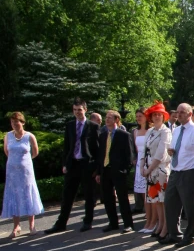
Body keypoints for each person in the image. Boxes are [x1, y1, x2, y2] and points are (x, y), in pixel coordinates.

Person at [45, 98, 100, 234]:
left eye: (79, 110)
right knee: (67, 195)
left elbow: (98, 149)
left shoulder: (93, 126)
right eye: (75, 110)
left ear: (85, 110)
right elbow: (66, 147)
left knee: (88, 194)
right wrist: (65, 164)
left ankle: (87, 221)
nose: (77, 112)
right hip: (73, 164)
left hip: (86, 164)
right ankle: (61, 223)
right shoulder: (70, 125)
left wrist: (96, 169)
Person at [160, 103, 194, 247]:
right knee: (170, 204)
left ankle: (189, 236)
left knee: (189, 207)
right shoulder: (176, 131)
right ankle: (174, 234)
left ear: (190, 114)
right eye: (177, 112)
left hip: (189, 172)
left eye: (182, 112)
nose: (179, 114)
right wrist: (172, 152)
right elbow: (176, 147)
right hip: (175, 171)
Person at [2, 112, 43, 237]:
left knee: (28, 195)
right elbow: (6, 151)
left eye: (17, 122)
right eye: (12, 123)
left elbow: (35, 152)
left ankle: (32, 225)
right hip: (12, 172)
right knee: (14, 196)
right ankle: (16, 226)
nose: (14, 125)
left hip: (26, 172)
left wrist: (24, 161)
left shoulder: (29, 136)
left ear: (22, 123)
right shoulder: (8, 136)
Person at [96, 111, 135, 233]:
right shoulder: (102, 135)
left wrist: (124, 170)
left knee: (122, 198)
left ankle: (128, 224)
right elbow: (100, 154)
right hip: (105, 170)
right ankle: (113, 223)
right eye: (106, 118)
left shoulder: (123, 135)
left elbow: (129, 155)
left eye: (110, 118)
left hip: (118, 171)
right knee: (108, 198)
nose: (107, 120)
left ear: (116, 119)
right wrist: (98, 172)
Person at [141, 102, 172, 239]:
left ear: (164, 117)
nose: (157, 117)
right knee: (156, 200)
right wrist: (142, 166)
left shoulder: (166, 131)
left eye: (159, 114)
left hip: (160, 170)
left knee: (163, 200)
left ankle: (166, 227)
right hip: (149, 170)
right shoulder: (149, 132)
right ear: (151, 117)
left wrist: (149, 169)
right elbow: (143, 151)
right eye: (155, 115)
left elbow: (161, 153)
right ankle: (159, 225)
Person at [131, 108, 149, 215]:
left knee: (150, 191)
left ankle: (152, 213)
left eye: (140, 116)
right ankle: (146, 211)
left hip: (149, 161)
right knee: (142, 191)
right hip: (140, 162)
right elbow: (136, 148)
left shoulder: (151, 131)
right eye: (137, 116)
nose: (138, 118)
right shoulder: (135, 131)